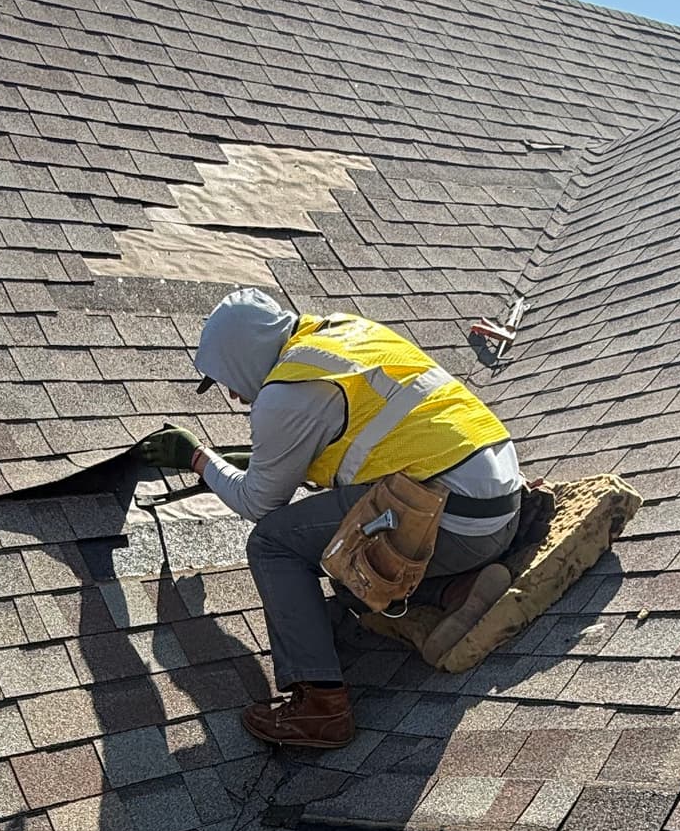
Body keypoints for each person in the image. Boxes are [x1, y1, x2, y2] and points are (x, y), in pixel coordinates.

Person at [140, 287, 524, 752]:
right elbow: (364, 440)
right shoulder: (340, 333)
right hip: (500, 507)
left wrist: (198, 458)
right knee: (344, 564)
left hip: (450, 521)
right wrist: (272, 460)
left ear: (245, 357)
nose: (235, 396)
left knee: (275, 545)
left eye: (229, 380)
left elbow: (259, 504)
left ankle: (320, 707)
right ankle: (455, 588)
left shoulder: (284, 396)